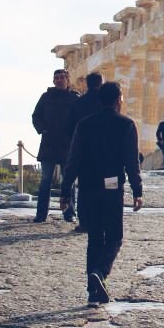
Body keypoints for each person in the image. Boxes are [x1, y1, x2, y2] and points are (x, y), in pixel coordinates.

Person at [59, 81, 143, 305]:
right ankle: (101, 272)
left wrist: (66, 190)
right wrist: (138, 190)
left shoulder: (85, 125)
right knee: (114, 236)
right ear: (118, 100)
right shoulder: (126, 124)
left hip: (88, 187)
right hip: (112, 188)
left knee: (94, 237)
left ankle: (92, 292)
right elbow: (131, 161)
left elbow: (73, 160)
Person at [31, 68, 80, 223]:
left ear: (67, 80)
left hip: (67, 145)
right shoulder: (46, 97)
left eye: (62, 77)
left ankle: (69, 212)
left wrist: (74, 136)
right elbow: (36, 116)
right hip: (49, 144)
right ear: (53, 80)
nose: (59, 80)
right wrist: (42, 129)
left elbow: (79, 120)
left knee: (68, 180)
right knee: (45, 180)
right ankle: (41, 215)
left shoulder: (74, 98)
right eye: (56, 77)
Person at [67, 72, 104, 233]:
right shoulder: (105, 102)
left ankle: (85, 222)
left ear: (87, 84)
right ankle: (100, 221)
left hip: (83, 150)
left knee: (84, 189)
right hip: (103, 150)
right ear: (101, 83)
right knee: (103, 187)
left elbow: (70, 126)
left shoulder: (78, 103)